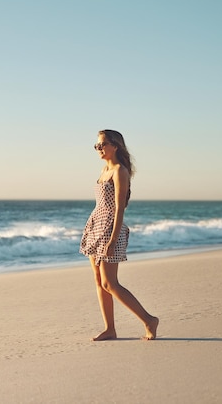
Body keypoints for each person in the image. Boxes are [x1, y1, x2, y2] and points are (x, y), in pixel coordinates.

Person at [79, 130, 159, 341]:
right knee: (99, 281)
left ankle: (149, 320)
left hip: (110, 229)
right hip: (96, 226)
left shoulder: (119, 171)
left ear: (116, 146)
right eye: (97, 145)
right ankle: (110, 329)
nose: (99, 148)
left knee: (110, 283)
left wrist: (113, 240)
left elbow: (119, 209)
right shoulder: (104, 170)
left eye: (103, 144)